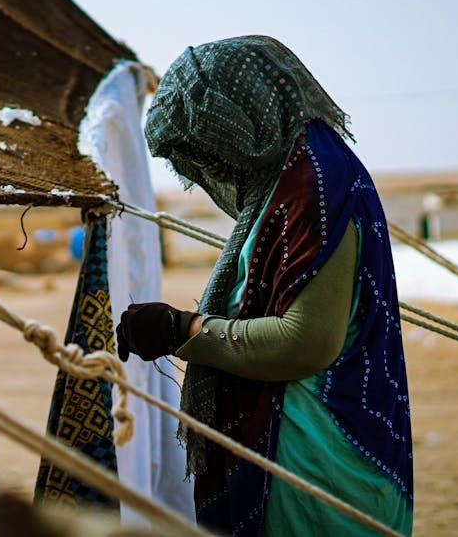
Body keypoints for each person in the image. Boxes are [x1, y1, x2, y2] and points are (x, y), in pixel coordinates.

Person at [115, 36, 413, 536]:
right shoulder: (299, 174)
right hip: (303, 449)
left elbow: (305, 342)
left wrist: (179, 329)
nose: (210, 168)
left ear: (243, 121)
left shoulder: (314, 184)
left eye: (209, 147)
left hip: (312, 460)